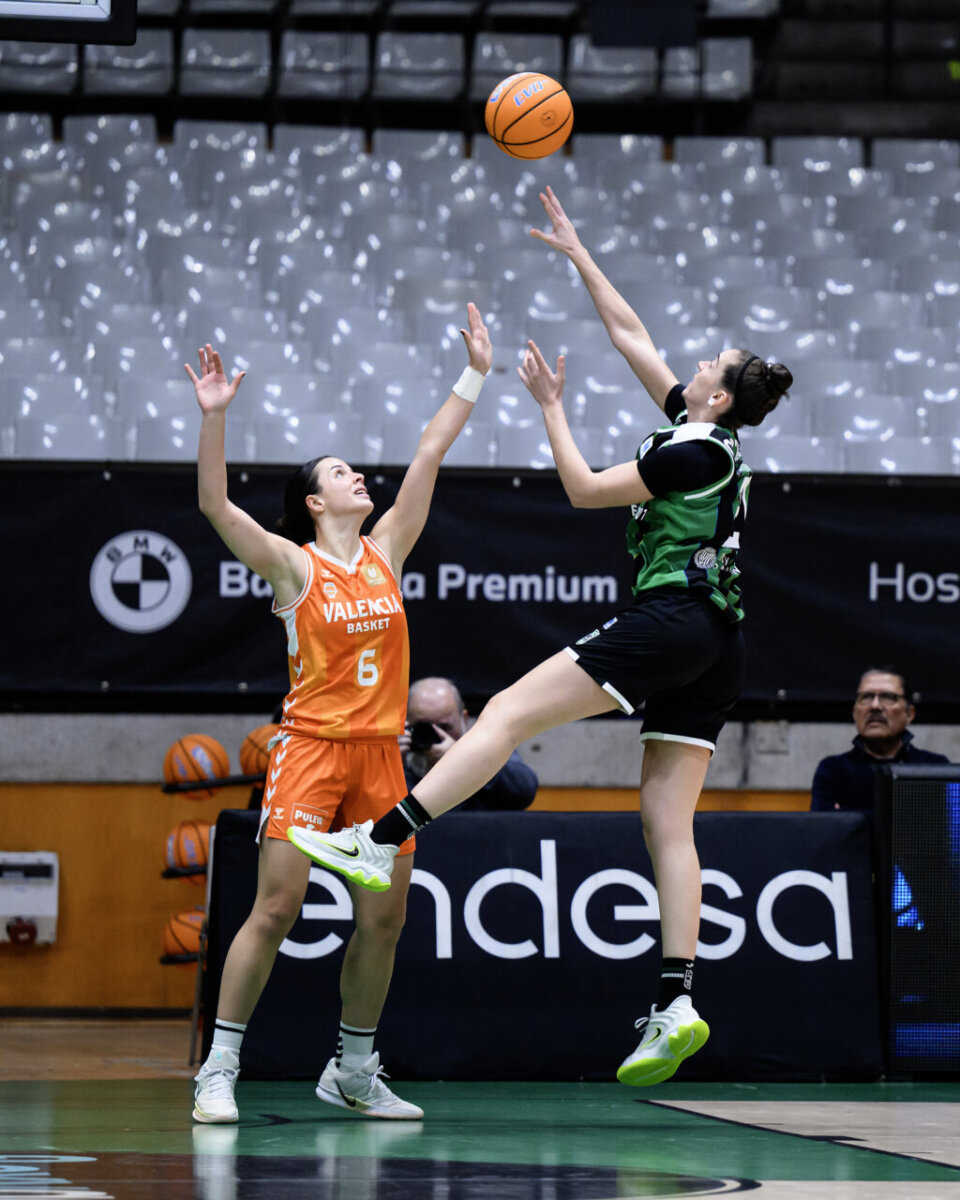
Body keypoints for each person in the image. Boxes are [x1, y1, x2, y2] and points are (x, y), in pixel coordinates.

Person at [287, 186, 793, 1088]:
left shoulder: (690, 450)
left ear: (717, 394)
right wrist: (579, 254)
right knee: (666, 821)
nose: (693, 361)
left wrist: (551, 405)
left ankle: (381, 836)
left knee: (507, 715)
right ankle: (676, 1002)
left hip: (674, 618)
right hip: (723, 641)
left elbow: (584, 491)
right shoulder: (704, 435)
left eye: (709, 361)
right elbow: (632, 336)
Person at [188, 303, 493, 1124]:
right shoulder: (293, 566)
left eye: (355, 469)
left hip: (381, 759)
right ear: (314, 503)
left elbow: (429, 451)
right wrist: (214, 418)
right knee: (276, 908)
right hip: (310, 751)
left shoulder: (388, 549)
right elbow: (216, 506)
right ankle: (220, 1067)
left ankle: (353, 1070)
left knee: (385, 921)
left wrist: (474, 373)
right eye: (338, 472)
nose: (357, 476)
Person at [811, 666, 949, 813]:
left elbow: (951, 823)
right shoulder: (833, 770)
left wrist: (849, 816)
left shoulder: (935, 768)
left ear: (909, 713)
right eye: (866, 697)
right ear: (854, 713)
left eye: (888, 697)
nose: (875, 706)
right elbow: (824, 825)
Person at [401, 676, 538, 810]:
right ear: (406, 724)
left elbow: (525, 791)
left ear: (464, 719)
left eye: (444, 727)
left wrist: (467, 760)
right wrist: (391, 765)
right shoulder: (399, 756)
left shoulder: (486, 745)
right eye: (423, 728)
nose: (435, 735)